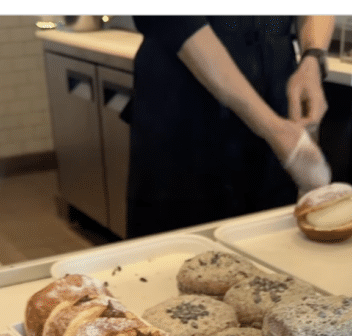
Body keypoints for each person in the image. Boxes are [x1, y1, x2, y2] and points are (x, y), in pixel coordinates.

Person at [126, 16, 334, 237]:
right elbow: (179, 22)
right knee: (176, 256)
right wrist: (273, 128)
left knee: (273, 250)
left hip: (276, 114)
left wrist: (313, 58)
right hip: (187, 123)